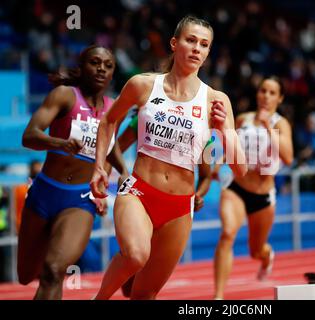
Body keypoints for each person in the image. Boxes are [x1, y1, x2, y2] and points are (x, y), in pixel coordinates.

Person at [90, 15, 247, 300]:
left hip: (179, 207)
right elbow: (108, 122)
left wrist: (225, 130)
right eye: (190, 40)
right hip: (139, 192)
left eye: (204, 44)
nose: (197, 48)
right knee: (136, 256)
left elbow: (241, 169)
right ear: (174, 43)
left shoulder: (217, 100)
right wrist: (99, 166)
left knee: (144, 295)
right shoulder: (143, 85)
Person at [18, 45, 128, 299]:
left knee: (53, 271)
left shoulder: (114, 109)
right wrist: (60, 143)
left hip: (79, 201)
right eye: (95, 62)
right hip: (43, 193)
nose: (101, 68)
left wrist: (122, 171)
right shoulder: (64, 95)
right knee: (26, 275)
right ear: (82, 67)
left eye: (108, 65)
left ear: (112, 73)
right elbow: (29, 136)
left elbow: (110, 146)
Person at [112, 112, 215, 298]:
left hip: (175, 207)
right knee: (129, 281)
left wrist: (198, 195)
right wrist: (125, 174)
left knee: (140, 291)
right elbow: (116, 147)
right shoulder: (149, 111)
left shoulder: (203, 129)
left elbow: (206, 176)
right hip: (142, 196)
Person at [212, 76, 294, 300]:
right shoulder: (242, 119)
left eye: (272, 93)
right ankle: (218, 297)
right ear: (257, 94)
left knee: (256, 251)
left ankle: (267, 257)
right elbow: (231, 145)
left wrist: (268, 126)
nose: (266, 96)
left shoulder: (280, 123)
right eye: (263, 91)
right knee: (227, 233)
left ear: (280, 98)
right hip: (237, 188)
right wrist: (217, 165)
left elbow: (288, 157)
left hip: (263, 196)